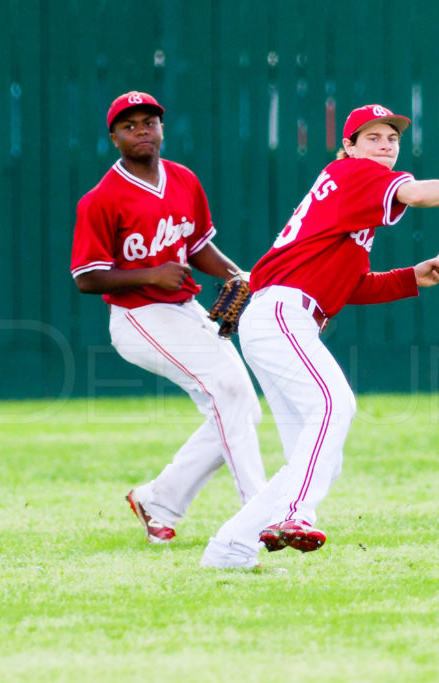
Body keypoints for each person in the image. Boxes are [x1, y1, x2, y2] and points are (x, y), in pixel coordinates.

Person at [200, 103, 439, 569]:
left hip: (283, 317)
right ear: (348, 147)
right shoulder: (352, 174)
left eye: (391, 138)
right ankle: (295, 515)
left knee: (317, 460)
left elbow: (350, 285)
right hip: (282, 316)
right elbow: (416, 194)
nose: (385, 145)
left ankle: (229, 549)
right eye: (372, 137)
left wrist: (414, 277)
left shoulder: (354, 204)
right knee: (335, 404)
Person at [70, 91, 266, 544]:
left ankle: (158, 499)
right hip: (138, 316)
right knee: (230, 392)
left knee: (242, 408)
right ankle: (259, 513)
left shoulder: (183, 179)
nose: (142, 130)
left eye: (149, 122)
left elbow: (197, 246)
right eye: (130, 125)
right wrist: (150, 274)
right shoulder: (101, 199)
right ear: (114, 137)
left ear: (162, 129)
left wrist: (239, 275)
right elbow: (86, 277)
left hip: (184, 309)